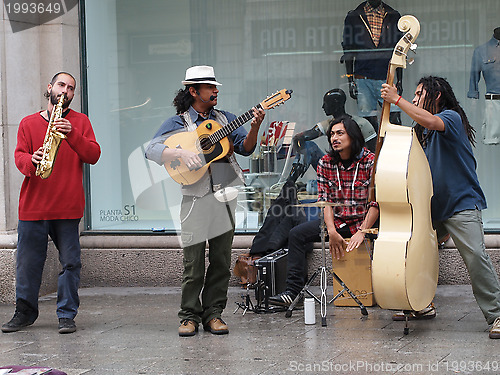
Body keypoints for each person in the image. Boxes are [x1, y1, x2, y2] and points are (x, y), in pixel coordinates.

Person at [145, 65, 265, 337]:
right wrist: (178, 152)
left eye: (215, 86)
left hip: (225, 190)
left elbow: (246, 148)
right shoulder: (178, 123)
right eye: (210, 87)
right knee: (193, 262)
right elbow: (151, 149)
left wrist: (255, 126)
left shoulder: (225, 119)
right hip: (194, 194)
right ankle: (189, 315)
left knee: (221, 260)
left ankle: (214, 314)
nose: (215, 91)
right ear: (194, 91)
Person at [381, 75, 500, 339]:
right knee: (414, 254)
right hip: (431, 207)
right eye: (411, 95)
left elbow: (431, 120)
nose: (413, 98)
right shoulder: (421, 131)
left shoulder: (451, 118)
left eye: (419, 94)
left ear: (435, 96)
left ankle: (497, 314)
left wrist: (396, 99)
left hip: (461, 204)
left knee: (476, 257)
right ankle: (420, 304)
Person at [1, 72, 101, 334]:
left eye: (70, 88)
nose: (65, 91)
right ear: (50, 88)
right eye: (61, 85)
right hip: (33, 206)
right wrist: (30, 161)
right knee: (28, 263)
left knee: (71, 262)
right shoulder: (27, 123)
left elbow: (93, 155)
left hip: (67, 208)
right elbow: (19, 156)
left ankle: (66, 315)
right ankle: (24, 312)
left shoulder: (80, 121)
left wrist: (73, 136)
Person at [269, 116, 379, 306]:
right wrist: (332, 231)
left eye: (340, 133)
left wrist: (362, 231)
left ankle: (381, 289)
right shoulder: (326, 163)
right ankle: (293, 293)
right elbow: (325, 200)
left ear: (353, 136)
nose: (334, 138)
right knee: (296, 234)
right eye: (332, 134)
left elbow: (376, 203)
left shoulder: (371, 162)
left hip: (365, 222)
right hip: (338, 223)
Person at [290, 89, 377, 183]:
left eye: (340, 133)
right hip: (334, 172)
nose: (323, 107)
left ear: (335, 103)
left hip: (356, 173)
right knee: (309, 146)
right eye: (332, 134)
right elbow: (299, 137)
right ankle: (289, 183)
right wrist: (303, 155)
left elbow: (374, 153)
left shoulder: (362, 124)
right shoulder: (327, 125)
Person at [341, 0, 403, 131]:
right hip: (363, 76)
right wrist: (350, 80)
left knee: (395, 119)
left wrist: (399, 80)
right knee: (368, 125)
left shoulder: (392, 15)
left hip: (387, 76)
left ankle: (394, 148)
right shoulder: (354, 16)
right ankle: (372, 151)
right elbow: (348, 50)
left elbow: (399, 51)